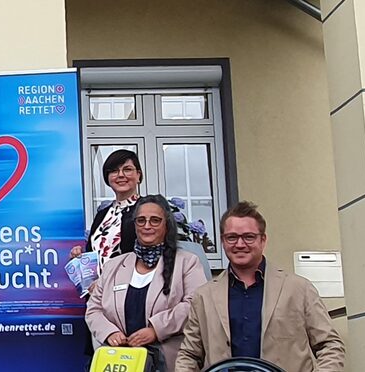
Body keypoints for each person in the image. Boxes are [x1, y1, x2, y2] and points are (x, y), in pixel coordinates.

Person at [177, 202, 344, 372]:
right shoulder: (204, 296)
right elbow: (189, 355)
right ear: (222, 241)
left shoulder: (299, 289)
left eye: (249, 237)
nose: (240, 244)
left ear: (263, 240)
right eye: (232, 237)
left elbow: (330, 346)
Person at [85, 195, 211, 369]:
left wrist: (156, 329)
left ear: (166, 225)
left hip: (169, 363)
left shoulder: (187, 263)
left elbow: (194, 305)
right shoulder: (113, 266)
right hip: (121, 362)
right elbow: (94, 309)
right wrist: (109, 332)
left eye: (155, 220)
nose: (147, 226)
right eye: (141, 220)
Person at [77, 149, 145, 261]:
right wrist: (81, 256)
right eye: (114, 171)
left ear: (138, 175)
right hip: (101, 279)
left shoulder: (148, 209)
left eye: (127, 170)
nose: (121, 175)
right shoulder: (102, 215)